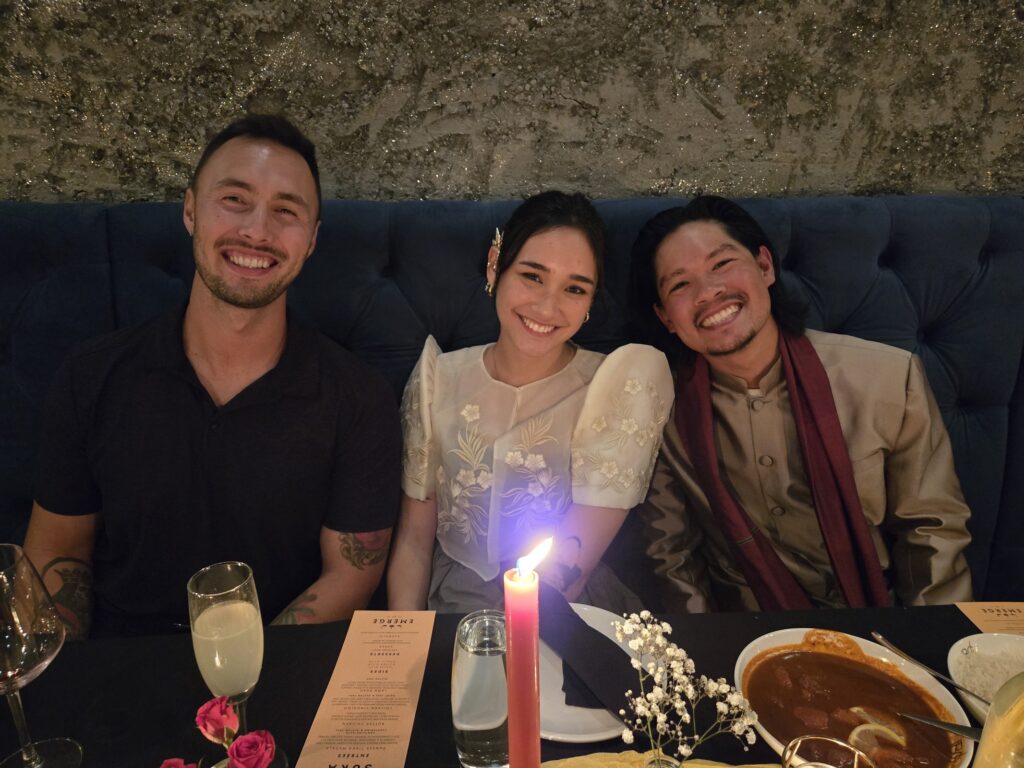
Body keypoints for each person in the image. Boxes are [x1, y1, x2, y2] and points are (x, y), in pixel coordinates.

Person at [25, 115, 400, 638]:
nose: (257, 230)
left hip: (277, 665)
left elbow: (352, 572)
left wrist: (240, 677)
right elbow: (58, 548)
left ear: (312, 240)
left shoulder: (358, 399)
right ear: (189, 211)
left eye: (286, 211)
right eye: (234, 200)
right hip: (121, 665)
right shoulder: (92, 376)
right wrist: (66, 685)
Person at [629, 195, 973, 612]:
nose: (709, 292)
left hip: (878, 623)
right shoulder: (662, 410)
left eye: (721, 264)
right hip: (744, 636)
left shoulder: (888, 378)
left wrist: (927, 654)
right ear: (666, 317)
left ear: (764, 266)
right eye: (680, 284)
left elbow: (932, 530)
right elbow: (672, 555)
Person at [387, 191, 673, 613]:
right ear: (494, 266)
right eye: (532, 276)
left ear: (591, 301)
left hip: (567, 602)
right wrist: (402, 648)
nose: (547, 306)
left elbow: (573, 560)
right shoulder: (438, 377)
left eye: (574, 288)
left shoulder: (618, 383)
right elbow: (413, 540)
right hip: (452, 599)